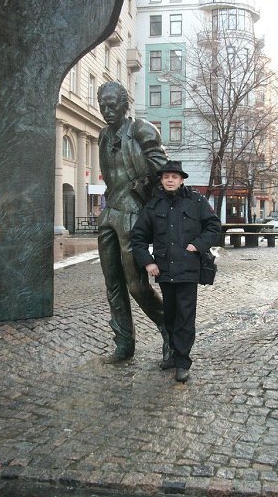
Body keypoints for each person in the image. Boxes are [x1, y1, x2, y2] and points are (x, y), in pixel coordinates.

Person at [96, 81, 170, 363]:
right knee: (113, 284)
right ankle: (124, 342)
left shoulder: (141, 130)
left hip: (134, 212)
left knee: (137, 286)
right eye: (102, 105)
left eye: (112, 105)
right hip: (110, 214)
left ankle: (168, 328)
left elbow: (164, 172)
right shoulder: (103, 137)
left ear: (124, 104)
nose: (106, 110)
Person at [131, 161, 221, 382]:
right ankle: (173, 355)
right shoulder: (154, 205)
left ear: (181, 180)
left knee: (185, 317)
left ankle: (182, 362)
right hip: (164, 270)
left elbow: (214, 227)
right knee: (170, 315)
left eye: (174, 177)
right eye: (166, 177)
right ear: (161, 181)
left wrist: (198, 245)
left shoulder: (196, 202)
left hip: (188, 268)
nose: (170, 180)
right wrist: (148, 262)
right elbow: (138, 237)